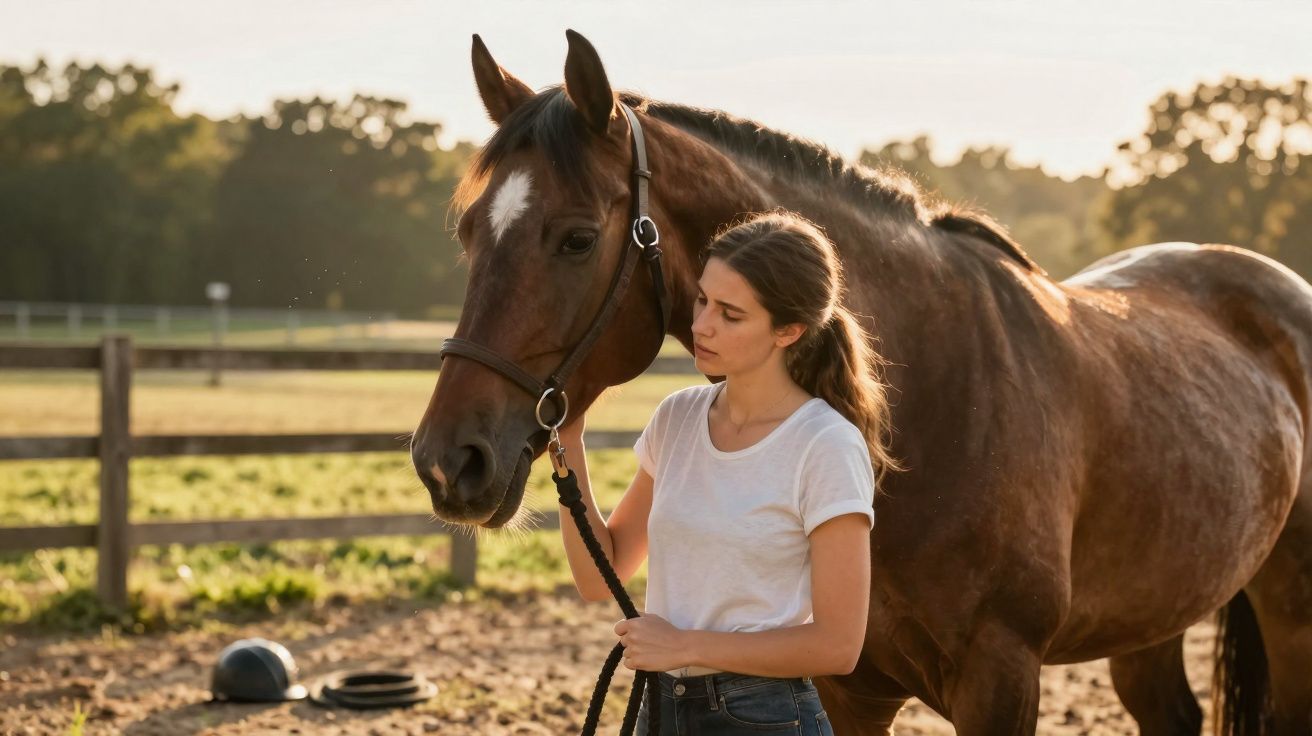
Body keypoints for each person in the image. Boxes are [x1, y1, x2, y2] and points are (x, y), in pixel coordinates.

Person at [556, 210, 900, 735]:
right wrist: (571, 440)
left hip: (764, 716)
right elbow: (598, 576)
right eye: (702, 300)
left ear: (788, 330)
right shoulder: (678, 417)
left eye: (730, 314)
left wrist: (686, 645)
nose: (700, 325)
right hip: (661, 707)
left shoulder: (824, 445)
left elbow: (838, 645)